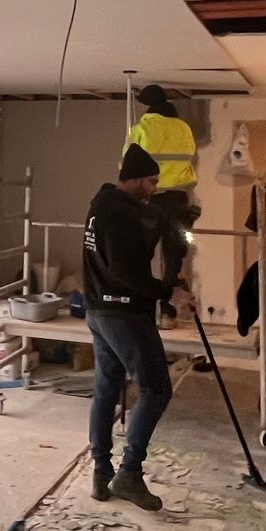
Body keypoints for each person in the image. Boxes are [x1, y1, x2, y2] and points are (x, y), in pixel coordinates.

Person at [82, 144, 195, 511]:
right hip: (123, 314)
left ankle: (101, 473)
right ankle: (129, 473)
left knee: (107, 389)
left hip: (100, 311)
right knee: (156, 389)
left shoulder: (102, 207)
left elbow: (130, 246)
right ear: (131, 179)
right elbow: (125, 271)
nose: (152, 189)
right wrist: (168, 292)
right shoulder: (119, 214)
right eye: (150, 182)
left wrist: (164, 219)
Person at [124, 85, 201, 303]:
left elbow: (127, 163)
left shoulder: (142, 129)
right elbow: (190, 155)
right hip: (178, 197)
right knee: (174, 254)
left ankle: (142, 303)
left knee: (141, 251)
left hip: (150, 197)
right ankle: (167, 308)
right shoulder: (183, 128)